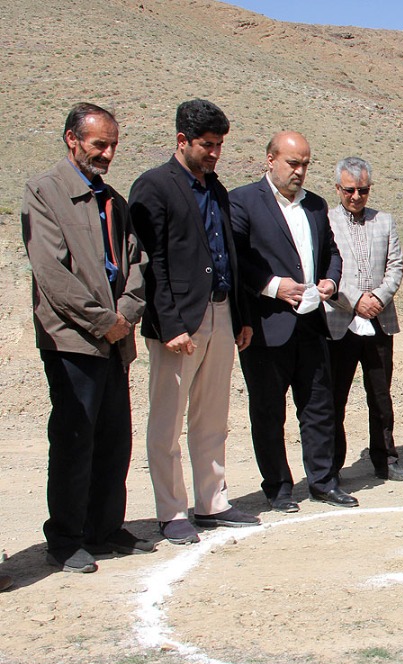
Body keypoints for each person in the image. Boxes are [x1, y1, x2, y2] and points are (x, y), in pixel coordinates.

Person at [21, 103, 152, 573]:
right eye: (100, 144)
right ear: (72, 139)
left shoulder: (112, 198)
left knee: (115, 437)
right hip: (74, 341)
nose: (109, 153)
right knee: (76, 437)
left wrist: (127, 314)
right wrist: (102, 320)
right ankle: (67, 536)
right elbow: (52, 273)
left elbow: (137, 263)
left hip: (116, 339)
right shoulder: (44, 192)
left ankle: (105, 528)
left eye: (113, 144)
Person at [129, 99, 259, 546]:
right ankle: (170, 510)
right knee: (168, 419)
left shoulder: (217, 190)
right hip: (179, 322)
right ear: (181, 140)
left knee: (213, 416)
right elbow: (153, 263)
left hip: (221, 313)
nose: (215, 153)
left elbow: (229, 258)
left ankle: (212, 501)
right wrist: (169, 324)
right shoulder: (153, 186)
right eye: (207, 145)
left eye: (220, 145)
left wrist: (239, 315)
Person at [231, 131, 356, 512]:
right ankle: (278, 487)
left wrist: (332, 281)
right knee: (269, 411)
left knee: (319, 407)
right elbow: (237, 257)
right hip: (267, 325)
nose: (299, 171)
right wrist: (272, 286)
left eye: (305, 164)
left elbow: (332, 252)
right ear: (270, 159)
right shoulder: (243, 201)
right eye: (292, 163)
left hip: (311, 323)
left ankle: (323, 481)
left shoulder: (316, 206)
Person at [325, 157, 403, 483]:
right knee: (335, 398)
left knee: (380, 396)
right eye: (349, 190)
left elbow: (396, 266)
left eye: (362, 190)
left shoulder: (384, 221)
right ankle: (331, 464)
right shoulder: (325, 221)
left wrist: (378, 298)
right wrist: (354, 300)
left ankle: (385, 458)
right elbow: (323, 269)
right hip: (339, 323)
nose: (356, 196)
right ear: (338, 189)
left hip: (379, 321)